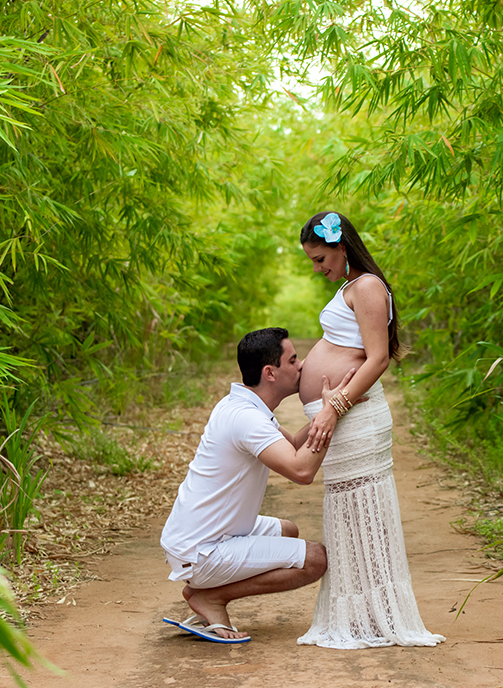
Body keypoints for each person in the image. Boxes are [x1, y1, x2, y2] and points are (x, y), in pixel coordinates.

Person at [295, 211, 445, 649]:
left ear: (343, 247)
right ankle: (361, 615)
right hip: (342, 417)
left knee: (366, 513)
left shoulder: (367, 287)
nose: (319, 268)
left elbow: (377, 358)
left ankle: (379, 616)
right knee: (347, 516)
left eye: (322, 258)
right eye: (313, 261)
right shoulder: (350, 288)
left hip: (354, 418)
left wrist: (333, 408)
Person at [160, 327, 356, 644]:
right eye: (293, 360)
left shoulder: (244, 406)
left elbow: (292, 443)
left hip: (196, 537)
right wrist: (330, 415)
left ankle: (207, 592)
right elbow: (301, 470)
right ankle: (210, 597)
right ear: (270, 372)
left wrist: (333, 409)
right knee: (315, 559)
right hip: (201, 551)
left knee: (288, 531)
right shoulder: (245, 418)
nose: (302, 365)